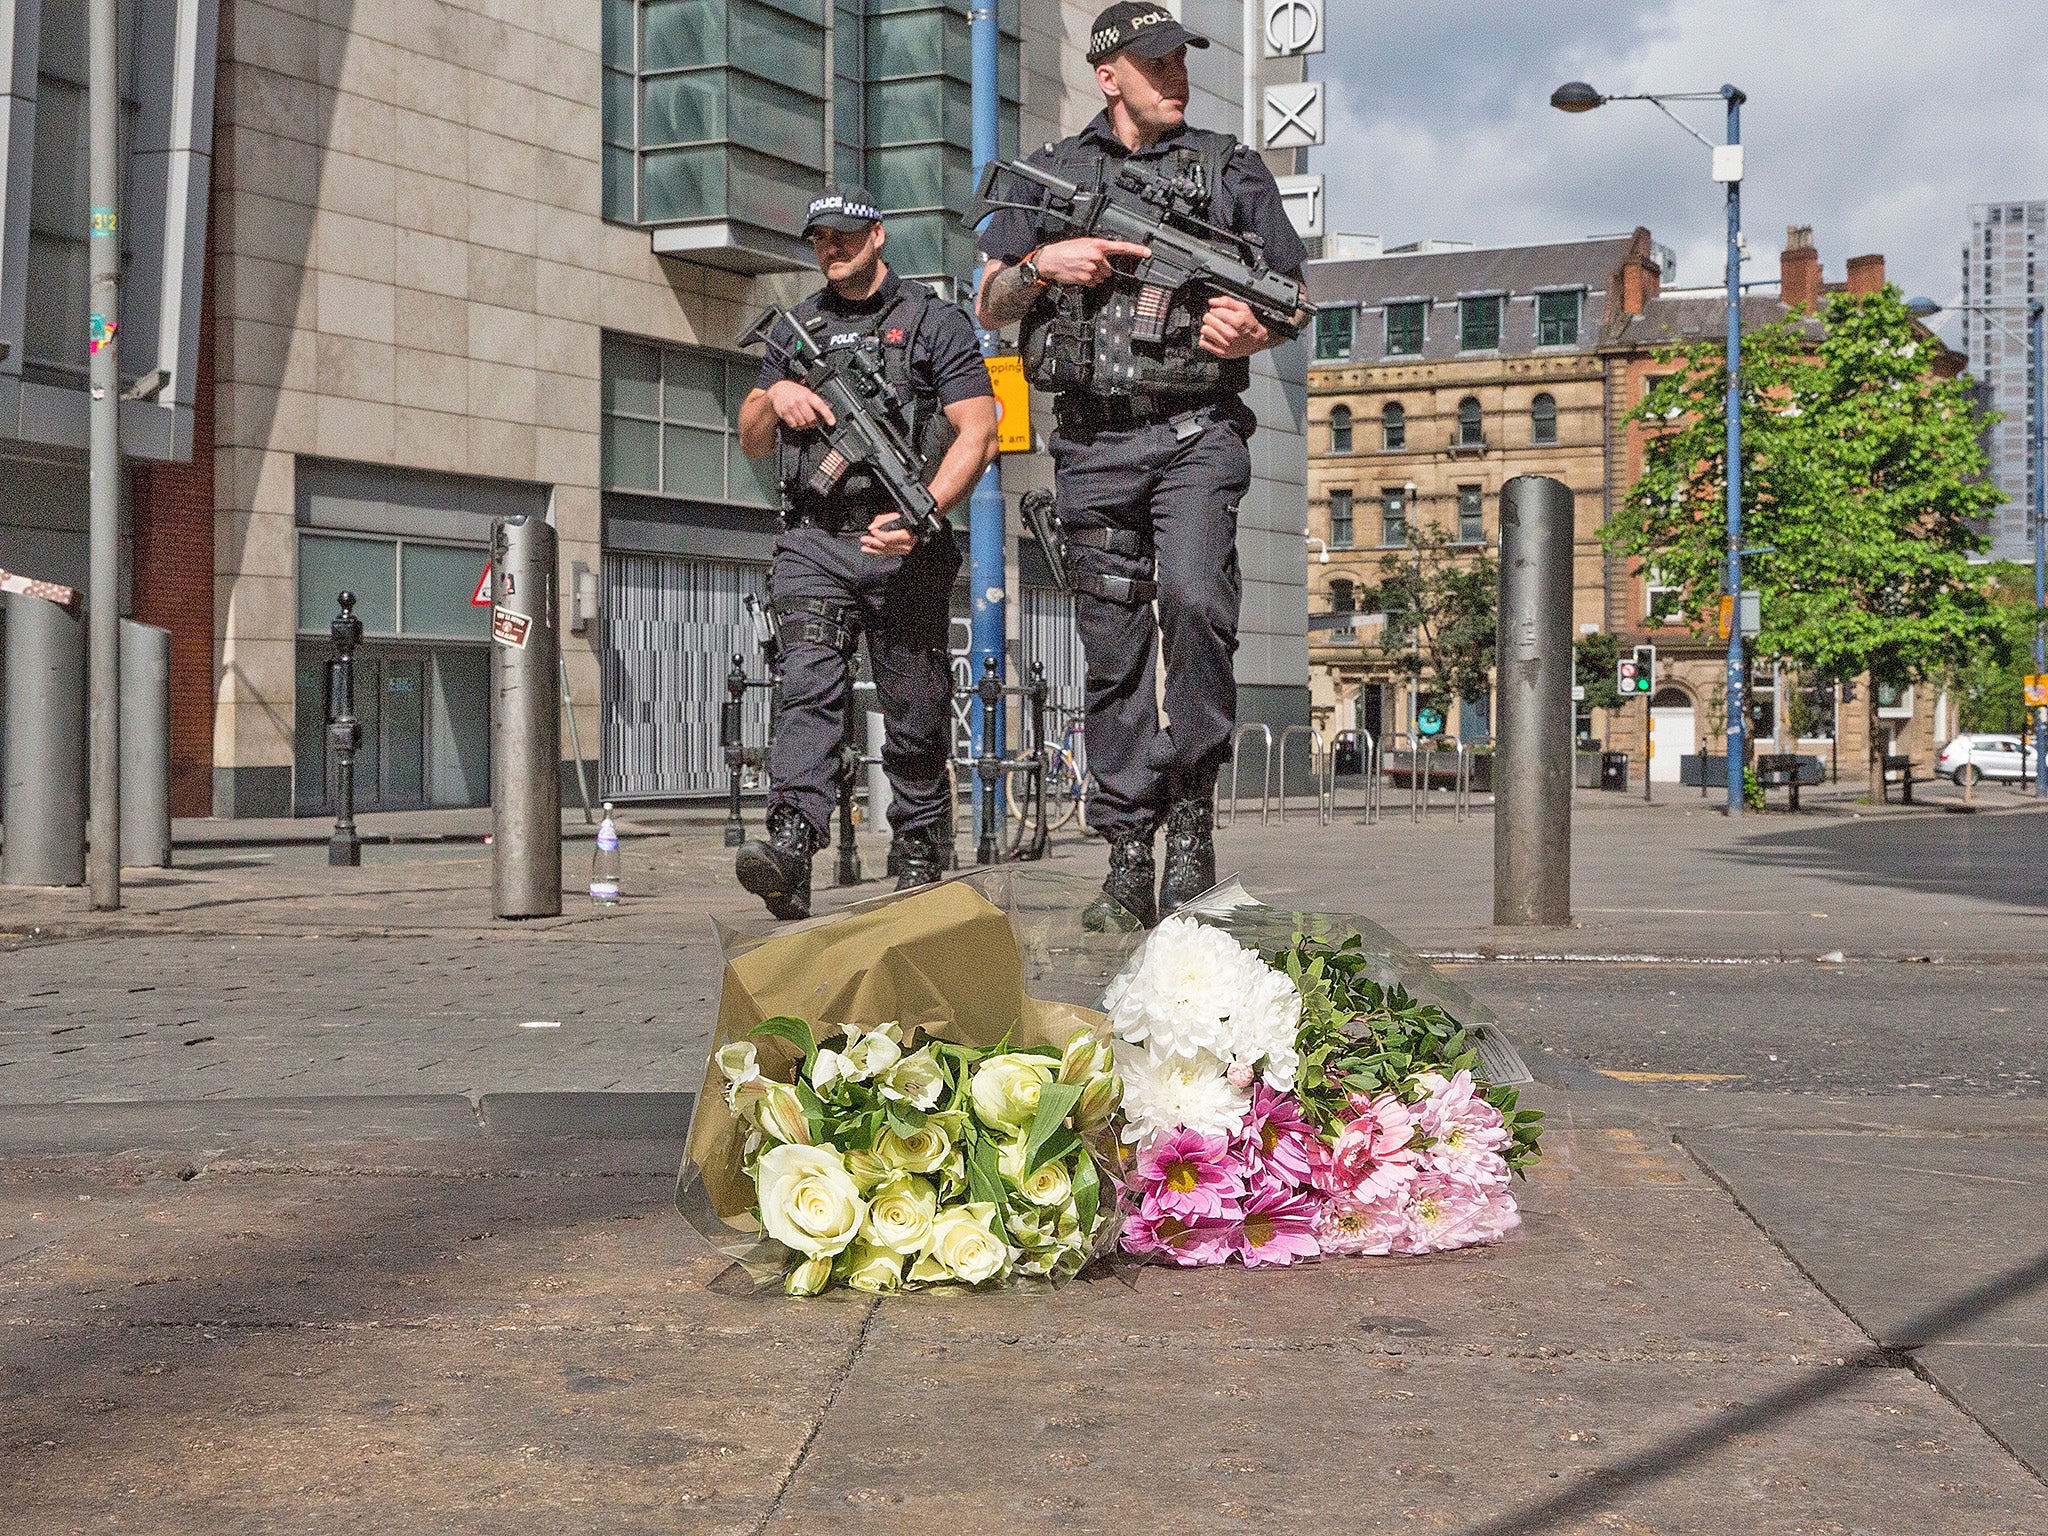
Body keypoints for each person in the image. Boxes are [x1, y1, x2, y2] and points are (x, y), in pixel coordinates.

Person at [973, 2, 1308, 928]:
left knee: (1198, 601)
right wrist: (1046, 262)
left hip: (1198, 431)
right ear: (1108, 74)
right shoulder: (1049, 175)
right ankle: (1127, 848)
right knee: (1113, 651)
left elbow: (1292, 299)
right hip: (1091, 443)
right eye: (1153, 61)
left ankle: (1191, 816)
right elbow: (992, 301)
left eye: (1180, 58)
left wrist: (1252, 323)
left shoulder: (1230, 168)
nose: (1175, 73)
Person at [733, 184, 999, 920]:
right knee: (806, 689)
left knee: (913, 703)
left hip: (906, 540)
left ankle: (918, 843)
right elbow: (753, 436)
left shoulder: (933, 324)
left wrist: (927, 512)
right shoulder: (794, 331)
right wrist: (775, 395)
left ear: (878, 234)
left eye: (845, 234)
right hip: (814, 539)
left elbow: (978, 429)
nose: (831, 248)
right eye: (820, 237)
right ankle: (792, 840)